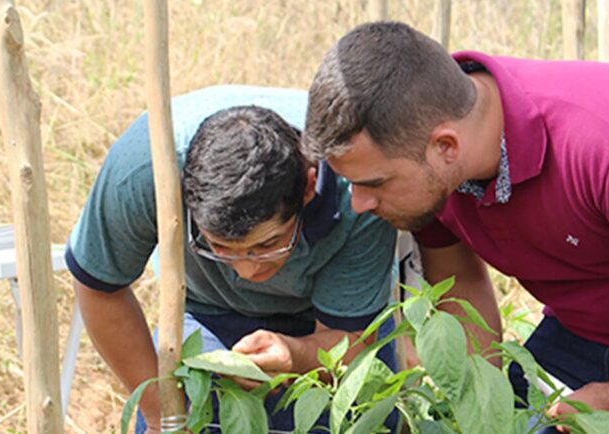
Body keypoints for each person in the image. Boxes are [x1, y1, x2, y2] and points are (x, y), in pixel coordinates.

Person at [301, 22, 609, 433]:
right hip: (585, 324)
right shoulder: (425, 156)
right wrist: (484, 410)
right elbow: (465, 287)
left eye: (374, 183)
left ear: (446, 147)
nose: (360, 205)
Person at [65, 85, 398, 432]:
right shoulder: (146, 169)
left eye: (269, 244)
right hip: (205, 309)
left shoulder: (356, 189)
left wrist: (295, 354)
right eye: (220, 248)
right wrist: (163, 416)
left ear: (308, 188)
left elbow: (350, 339)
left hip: (328, 322)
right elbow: (100, 288)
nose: (247, 271)